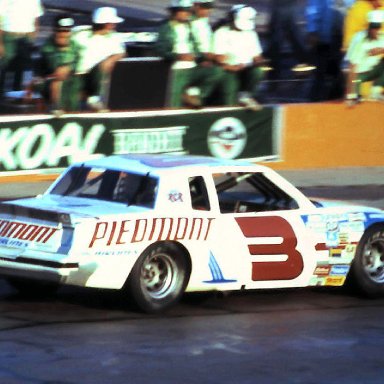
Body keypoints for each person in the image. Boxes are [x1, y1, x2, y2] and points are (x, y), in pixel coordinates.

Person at [155, 0, 222, 108]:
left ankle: (193, 94)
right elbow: (160, 50)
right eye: (183, 11)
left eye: (188, 11)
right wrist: (178, 56)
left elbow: (195, 46)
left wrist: (202, 59)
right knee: (174, 104)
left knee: (215, 71)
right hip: (177, 70)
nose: (187, 14)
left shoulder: (189, 26)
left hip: (193, 67)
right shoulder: (165, 28)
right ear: (174, 12)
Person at [212, 4, 265, 110]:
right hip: (228, 70)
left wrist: (259, 61)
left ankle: (246, 96)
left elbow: (257, 55)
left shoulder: (251, 33)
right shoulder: (221, 33)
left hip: (246, 69)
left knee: (258, 71)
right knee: (229, 97)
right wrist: (230, 66)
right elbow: (218, 58)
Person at [73, 7, 126, 111]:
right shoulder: (80, 34)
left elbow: (121, 52)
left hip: (98, 77)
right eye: (112, 22)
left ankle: (94, 100)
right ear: (105, 23)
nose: (114, 25)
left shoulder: (114, 37)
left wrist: (111, 59)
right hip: (76, 75)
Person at [36, 15, 81, 114]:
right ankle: (56, 108)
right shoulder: (48, 47)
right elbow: (54, 67)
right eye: (60, 31)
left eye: (67, 31)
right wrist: (67, 67)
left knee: (75, 84)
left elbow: (79, 62)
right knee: (57, 81)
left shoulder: (75, 45)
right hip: (49, 80)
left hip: (71, 80)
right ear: (55, 31)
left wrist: (70, 67)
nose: (64, 34)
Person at [0, 0, 44, 95]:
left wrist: (33, 36)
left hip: (26, 37)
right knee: (3, 67)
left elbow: (36, 19)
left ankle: (15, 96)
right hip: (8, 36)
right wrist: (0, 43)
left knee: (20, 70)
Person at [306, 0, 345, 101]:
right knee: (321, 71)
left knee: (336, 69)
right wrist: (312, 30)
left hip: (340, 36)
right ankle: (315, 99)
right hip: (324, 37)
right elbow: (313, 9)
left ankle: (334, 97)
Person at [265, 0, 313, 80]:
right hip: (286, 6)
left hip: (283, 6)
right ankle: (306, 61)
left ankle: (273, 68)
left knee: (279, 35)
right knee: (291, 33)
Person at [345, 9, 384, 103]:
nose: (374, 30)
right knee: (355, 96)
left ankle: (376, 92)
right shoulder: (360, 40)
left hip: (372, 71)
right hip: (358, 75)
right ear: (369, 27)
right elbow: (352, 66)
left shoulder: (382, 37)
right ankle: (355, 95)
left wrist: (381, 50)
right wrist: (351, 93)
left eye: (377, 27)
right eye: (373, 27)